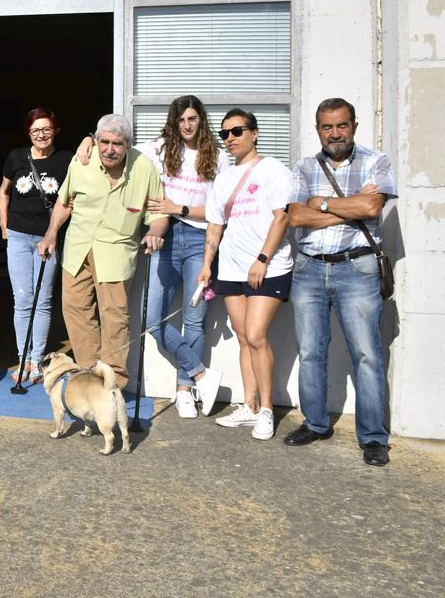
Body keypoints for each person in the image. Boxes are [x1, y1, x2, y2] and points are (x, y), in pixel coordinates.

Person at [79, 96, 228, 416]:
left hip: (201, 240)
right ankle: (201, 373)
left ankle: (185, 389)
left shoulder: (216, 158)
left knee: (194, 320)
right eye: (181, 120)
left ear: (201, 120)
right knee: (152, 320)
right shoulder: (157, 149)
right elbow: (116, 142)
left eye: (192, 119)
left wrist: (181, 208)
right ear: (174, 123)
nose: (187, 126)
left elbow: (219, 212)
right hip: (166, 236)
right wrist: (88, 140)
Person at [284, 98, 397, 466]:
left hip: (358, 269)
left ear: (354, 125)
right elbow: (296, 218)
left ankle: (374, 438)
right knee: (310, 351)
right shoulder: (303, 167)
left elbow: (371, 209)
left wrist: (321, 203)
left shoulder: (375, 161)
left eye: (342, 125)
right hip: (310, 269)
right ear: (318, 129)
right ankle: (315, 423)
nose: (335, 133)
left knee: (366, 355)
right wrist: (344, 206)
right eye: (327, 127)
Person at [42, 114, 166, 390]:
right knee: (75, 309)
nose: (110, 149)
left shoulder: (144, 168)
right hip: (78, 248)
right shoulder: (82, 161)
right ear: (95, 140)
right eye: (104, 142)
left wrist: (155, 232)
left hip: (116, 252)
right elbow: (64, 203)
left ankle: (112, 385)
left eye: (118, 144)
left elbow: (159, 214)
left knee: (115, 318)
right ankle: (88, 375)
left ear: (129, 144)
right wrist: (51, 233)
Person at [197, 108, 293, 442]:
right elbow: (215, 224)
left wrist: (263, 259)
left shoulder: (273, 170)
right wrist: (208, 264)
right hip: (232, 267)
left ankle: (267, 409)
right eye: (225, 134)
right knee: (242, 336)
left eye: (237, 131)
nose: (230, 139)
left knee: (255, 335)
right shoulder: (223, 178)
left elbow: (282, 217)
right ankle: (249, 405)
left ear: (254, 133)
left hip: (268, 266)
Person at [0, 107, 72, 385]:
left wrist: (53, 233)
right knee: (22, 300)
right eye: (35, 130)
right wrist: (4, 224)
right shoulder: (16, 157)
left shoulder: (66, 160)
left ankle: (36, 361)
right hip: (17, 236)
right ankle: (22, 358)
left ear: (56, 131)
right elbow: (4, 192)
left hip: (47, 239)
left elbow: (70, 200)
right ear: (29, 132)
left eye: (47, 129)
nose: (41, 135)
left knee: (42, 301)